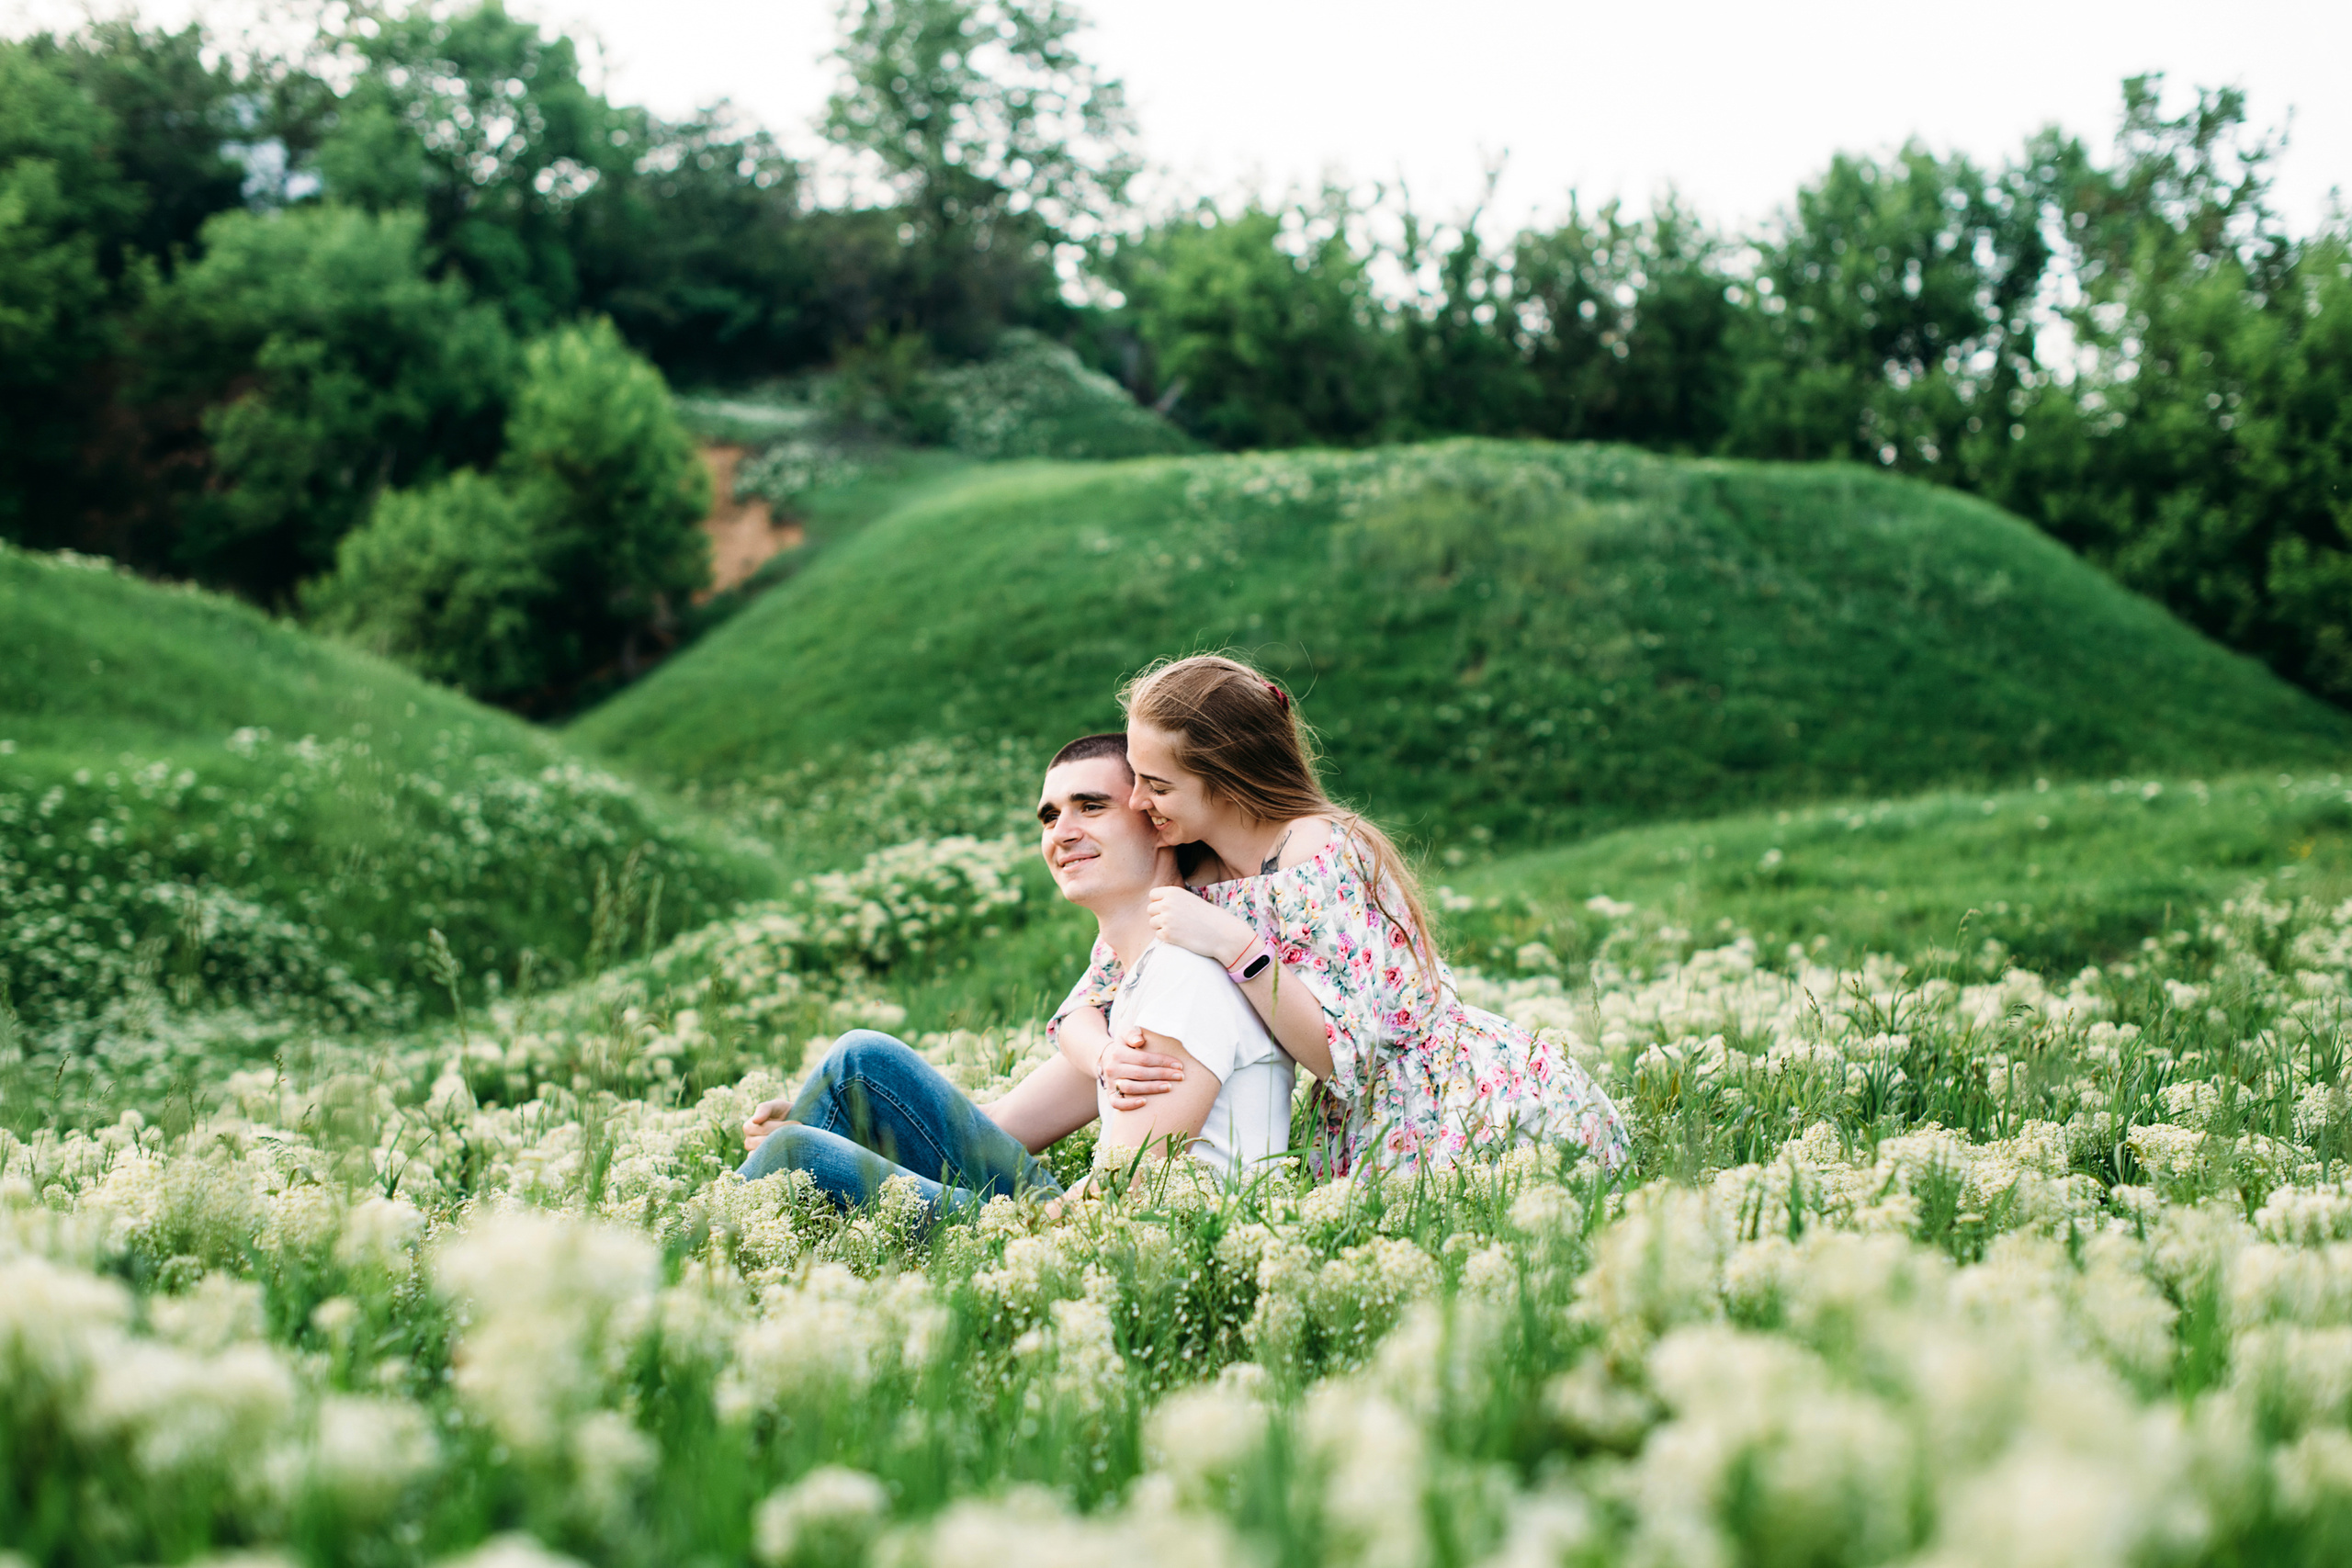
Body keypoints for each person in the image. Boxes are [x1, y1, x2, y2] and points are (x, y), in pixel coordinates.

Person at [1049, 653, 1630, 1178]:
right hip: (1361, 1115)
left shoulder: (1315, 851)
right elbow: (1089, 1001)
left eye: (1157, 785)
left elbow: (1340, 1052)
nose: (1136, 802)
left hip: (1452, 1098)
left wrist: (1238, 949)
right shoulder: (1200, 873)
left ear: (1224, 779)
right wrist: (1105, 1057)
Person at [737, 733, 1296, 1216]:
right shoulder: (1130, 987)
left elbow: (1119, 1198)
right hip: (1076, 1219)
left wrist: (813, 1149)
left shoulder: (1185, 974)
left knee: (793, 1160)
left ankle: (719, 1258)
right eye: (1050, 816)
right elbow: (1002, 1124)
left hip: (1106, 1242)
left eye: (1091, 806)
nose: (1062, 832)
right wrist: (841, 1125)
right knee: (860, 1065)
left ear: (1159, 823)